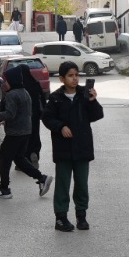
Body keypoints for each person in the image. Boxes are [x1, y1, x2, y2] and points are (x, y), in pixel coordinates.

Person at [42, 61, 104, 231]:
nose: (75, 79)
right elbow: (46, 118)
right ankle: (61, 218)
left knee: (82, 184)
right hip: (63, 149)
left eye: (77, 75)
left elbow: (97, 115)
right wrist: (60, 127)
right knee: (63, 183)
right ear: (62, 78)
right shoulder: (55, 98)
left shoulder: (85, 94)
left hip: (82, 147)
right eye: (70, 75)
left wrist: (93, 101)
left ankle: (81, 216)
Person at [0, 65, 51, 199]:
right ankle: (42, 178)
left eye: (6, 80)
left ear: (13, 80)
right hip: (25, 132)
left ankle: (5, 190)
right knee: (20, 159)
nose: (4, 83)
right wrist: (7, 121)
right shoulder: (24, 91)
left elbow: (10, 113)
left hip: (15, 134)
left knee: (4, 160)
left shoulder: (12, 94)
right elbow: (21, 112)